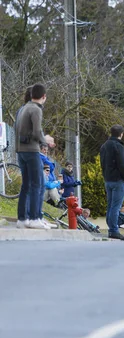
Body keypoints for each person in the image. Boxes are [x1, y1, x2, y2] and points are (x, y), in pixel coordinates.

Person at [15, 84, 51, 229]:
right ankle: (35, 218)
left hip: (20, 151)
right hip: (31, 150)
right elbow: (37, 132)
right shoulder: (36, 109)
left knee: (26, 185)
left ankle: (22, 219)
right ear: (44, 96)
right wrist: (45, 141)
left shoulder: (23, 108)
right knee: (37, 184)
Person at [100, 125, 124, 240]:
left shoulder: (104, 146)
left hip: (108, 179)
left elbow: (102, 163)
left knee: (110, 205)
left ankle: (111, 228)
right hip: (118, 180)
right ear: (121, 134)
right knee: (116, 206)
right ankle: (113, 230)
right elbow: (122, 164)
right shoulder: (118, 146)